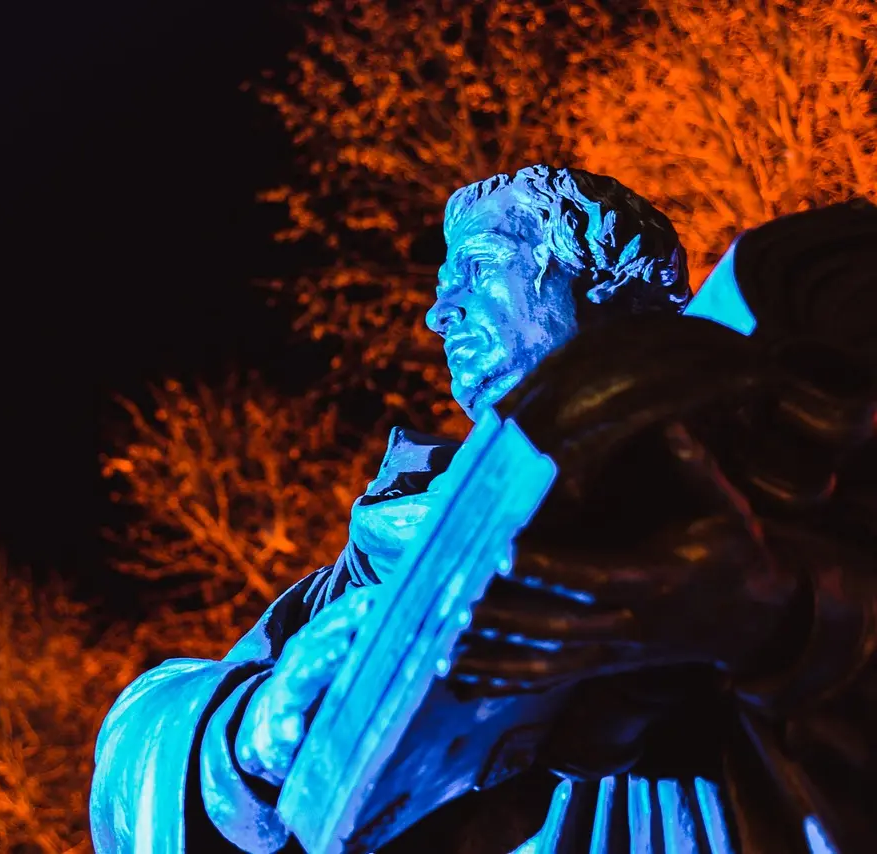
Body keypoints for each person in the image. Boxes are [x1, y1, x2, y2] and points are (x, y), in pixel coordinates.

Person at [89, 166, 877, 853]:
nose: (439, 314)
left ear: (606, 282)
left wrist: (789, 625)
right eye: (439, 291)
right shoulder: (379, 557)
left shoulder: (806, 430)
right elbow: (133, 757)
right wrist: (246, 743)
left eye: (479, 268)